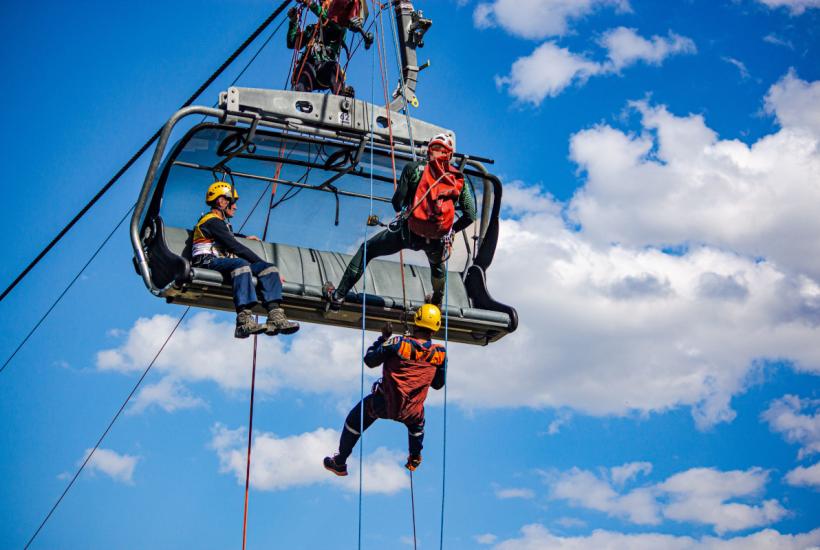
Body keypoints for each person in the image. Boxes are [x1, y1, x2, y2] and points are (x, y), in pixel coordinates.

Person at [323, 133, 476, 309]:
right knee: (438, 267)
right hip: (435, 241)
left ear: (429, 151)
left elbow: (397, 203)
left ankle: (338, 296)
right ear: (449, 155)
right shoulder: (458, 180)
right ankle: (435, 303)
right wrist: (450, 230)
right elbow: (470, 215)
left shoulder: (413, 168)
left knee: (368, 249)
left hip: (407, 233)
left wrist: (408, 208)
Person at [323, 304, 446, 476]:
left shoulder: (398, 343)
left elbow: (370, 360)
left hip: (384, 404)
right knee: (417, 423)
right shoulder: (440, 353)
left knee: (354, 421)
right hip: (412, 411)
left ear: (415, 322)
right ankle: (415, 456)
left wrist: (383, 339)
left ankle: (340, 462)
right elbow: (438, 384)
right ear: (436, 328)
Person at [191, 181, 300, 338]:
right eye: (232, 202)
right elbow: (235, 247)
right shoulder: (211, 220)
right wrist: (257, 261)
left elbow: (227, 236)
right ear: (221, 201)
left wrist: (245, 238)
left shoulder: (220, 223)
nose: (235, 207)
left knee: (269, 268)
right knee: (241, 265)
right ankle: (243, 320)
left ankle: (275, 315)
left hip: (221, 262)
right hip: (206, 261)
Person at [287, 0, 373, 96]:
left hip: (324, 70)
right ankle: (299, 98)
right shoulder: (312, 30)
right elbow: (292, 43)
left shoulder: (339, 26)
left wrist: (310, 3)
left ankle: (342, 95)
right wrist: (294, 22)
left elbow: (330, 18)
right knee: (305, 70)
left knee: (334, 68)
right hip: (308, 69)